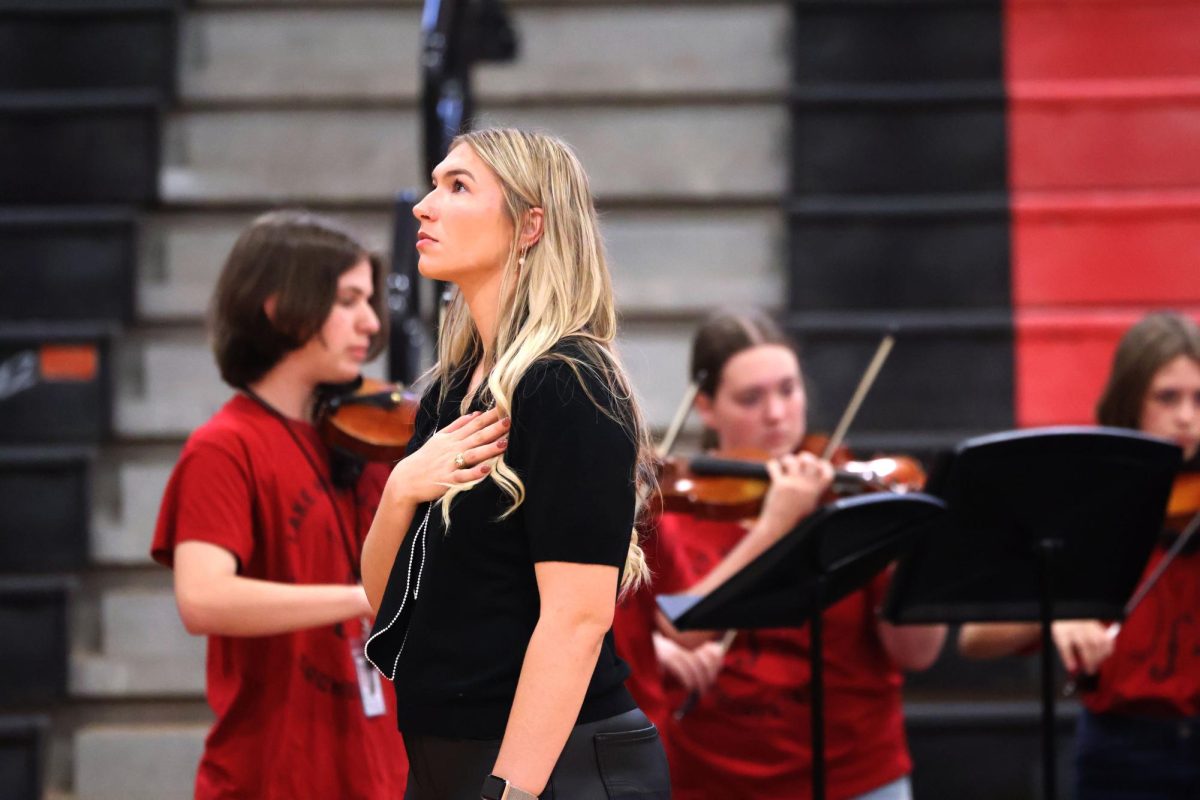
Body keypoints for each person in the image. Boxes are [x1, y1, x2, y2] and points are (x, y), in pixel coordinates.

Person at [360, 128, 672, 800]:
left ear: (530, 225)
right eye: (434, 182)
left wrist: (512, 792)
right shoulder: (451, 388)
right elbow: (388, 598)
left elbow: (577, 619)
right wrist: (399, 491)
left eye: (458, 186)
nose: (423, 205)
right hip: (447, 760)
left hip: (553, 769)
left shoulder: (570, 382)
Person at [613, 310, 947, 800]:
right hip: (713, 780)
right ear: (705, 406)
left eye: (788, 390)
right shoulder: (675, 511)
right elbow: (667, 627)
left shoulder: (852, 501)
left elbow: (917, 654)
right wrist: (775, 525)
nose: (776, 414)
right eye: (751, 398)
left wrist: (905, 553)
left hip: (857, 776)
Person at [150, 211, 409, 799]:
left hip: (383, 773)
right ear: (279, 306)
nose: (371, 322)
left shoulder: (372, 439)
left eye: (370, 300)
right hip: (274, 777)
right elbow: (203, 598)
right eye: (348, 300)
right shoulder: (225, 447)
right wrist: (363, 599)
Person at [958, 311, 1200, 800]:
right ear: (1130, 402)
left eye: (1199, 398)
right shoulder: (1090, 500)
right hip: (1123, 748)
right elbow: (974, 638)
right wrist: (1054, 617)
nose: (1186, 417)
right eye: (1167, 398)